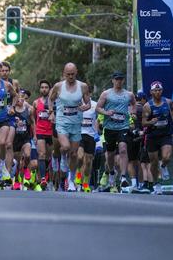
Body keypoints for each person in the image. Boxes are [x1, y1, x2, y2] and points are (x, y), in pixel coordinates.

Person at [48, 63, 92, 192]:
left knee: (73, 154)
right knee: (66, 147)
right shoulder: (58, 86)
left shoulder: (83, 86)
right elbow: (51, 99)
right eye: (68, 74)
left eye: (73, 74)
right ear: (64, 73)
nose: (71, 76)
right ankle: (61, 158)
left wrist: (86, 106)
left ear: (76, 72)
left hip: (76, 123)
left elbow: (88, 102)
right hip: (62, 121)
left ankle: (71, 181)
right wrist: (51, 112)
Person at [96, 71, 137, 193]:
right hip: (109, 127)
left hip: (123, 126)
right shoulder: (106, 94)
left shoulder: (129, 94)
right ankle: (112, 172)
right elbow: (98, 108)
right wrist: (106, 113)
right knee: (110, 154)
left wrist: (133, 113)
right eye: (116, 79)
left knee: (123, 148)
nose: (118, 81)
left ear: (123, 81)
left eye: (120, 79)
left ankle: (123, 177)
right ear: (112, 80)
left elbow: (134, 103)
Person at [142, 81, 173, 194]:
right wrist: (150, 122)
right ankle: (157, 185)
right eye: (155, 90)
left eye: (159, 90)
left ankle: (163, 166)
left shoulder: (168, 102)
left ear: (162, 91)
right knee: (153, 162)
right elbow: (143, 122)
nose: (157, 92)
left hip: (165, 135)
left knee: (166, 157)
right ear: (151, 92)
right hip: (152, 136)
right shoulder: (147, 106)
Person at [33, 79, 53, 189]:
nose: (44, 89)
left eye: (46, 87)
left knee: (48, 157)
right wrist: (35, 134)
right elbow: (33, 118)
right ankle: (43, 179)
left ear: (49, 89)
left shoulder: (53, 102)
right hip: (40, 131)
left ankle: (45, 171)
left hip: (51, 132)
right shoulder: (36, 103)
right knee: (41, 154)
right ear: (40, 89)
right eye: (42, 87)